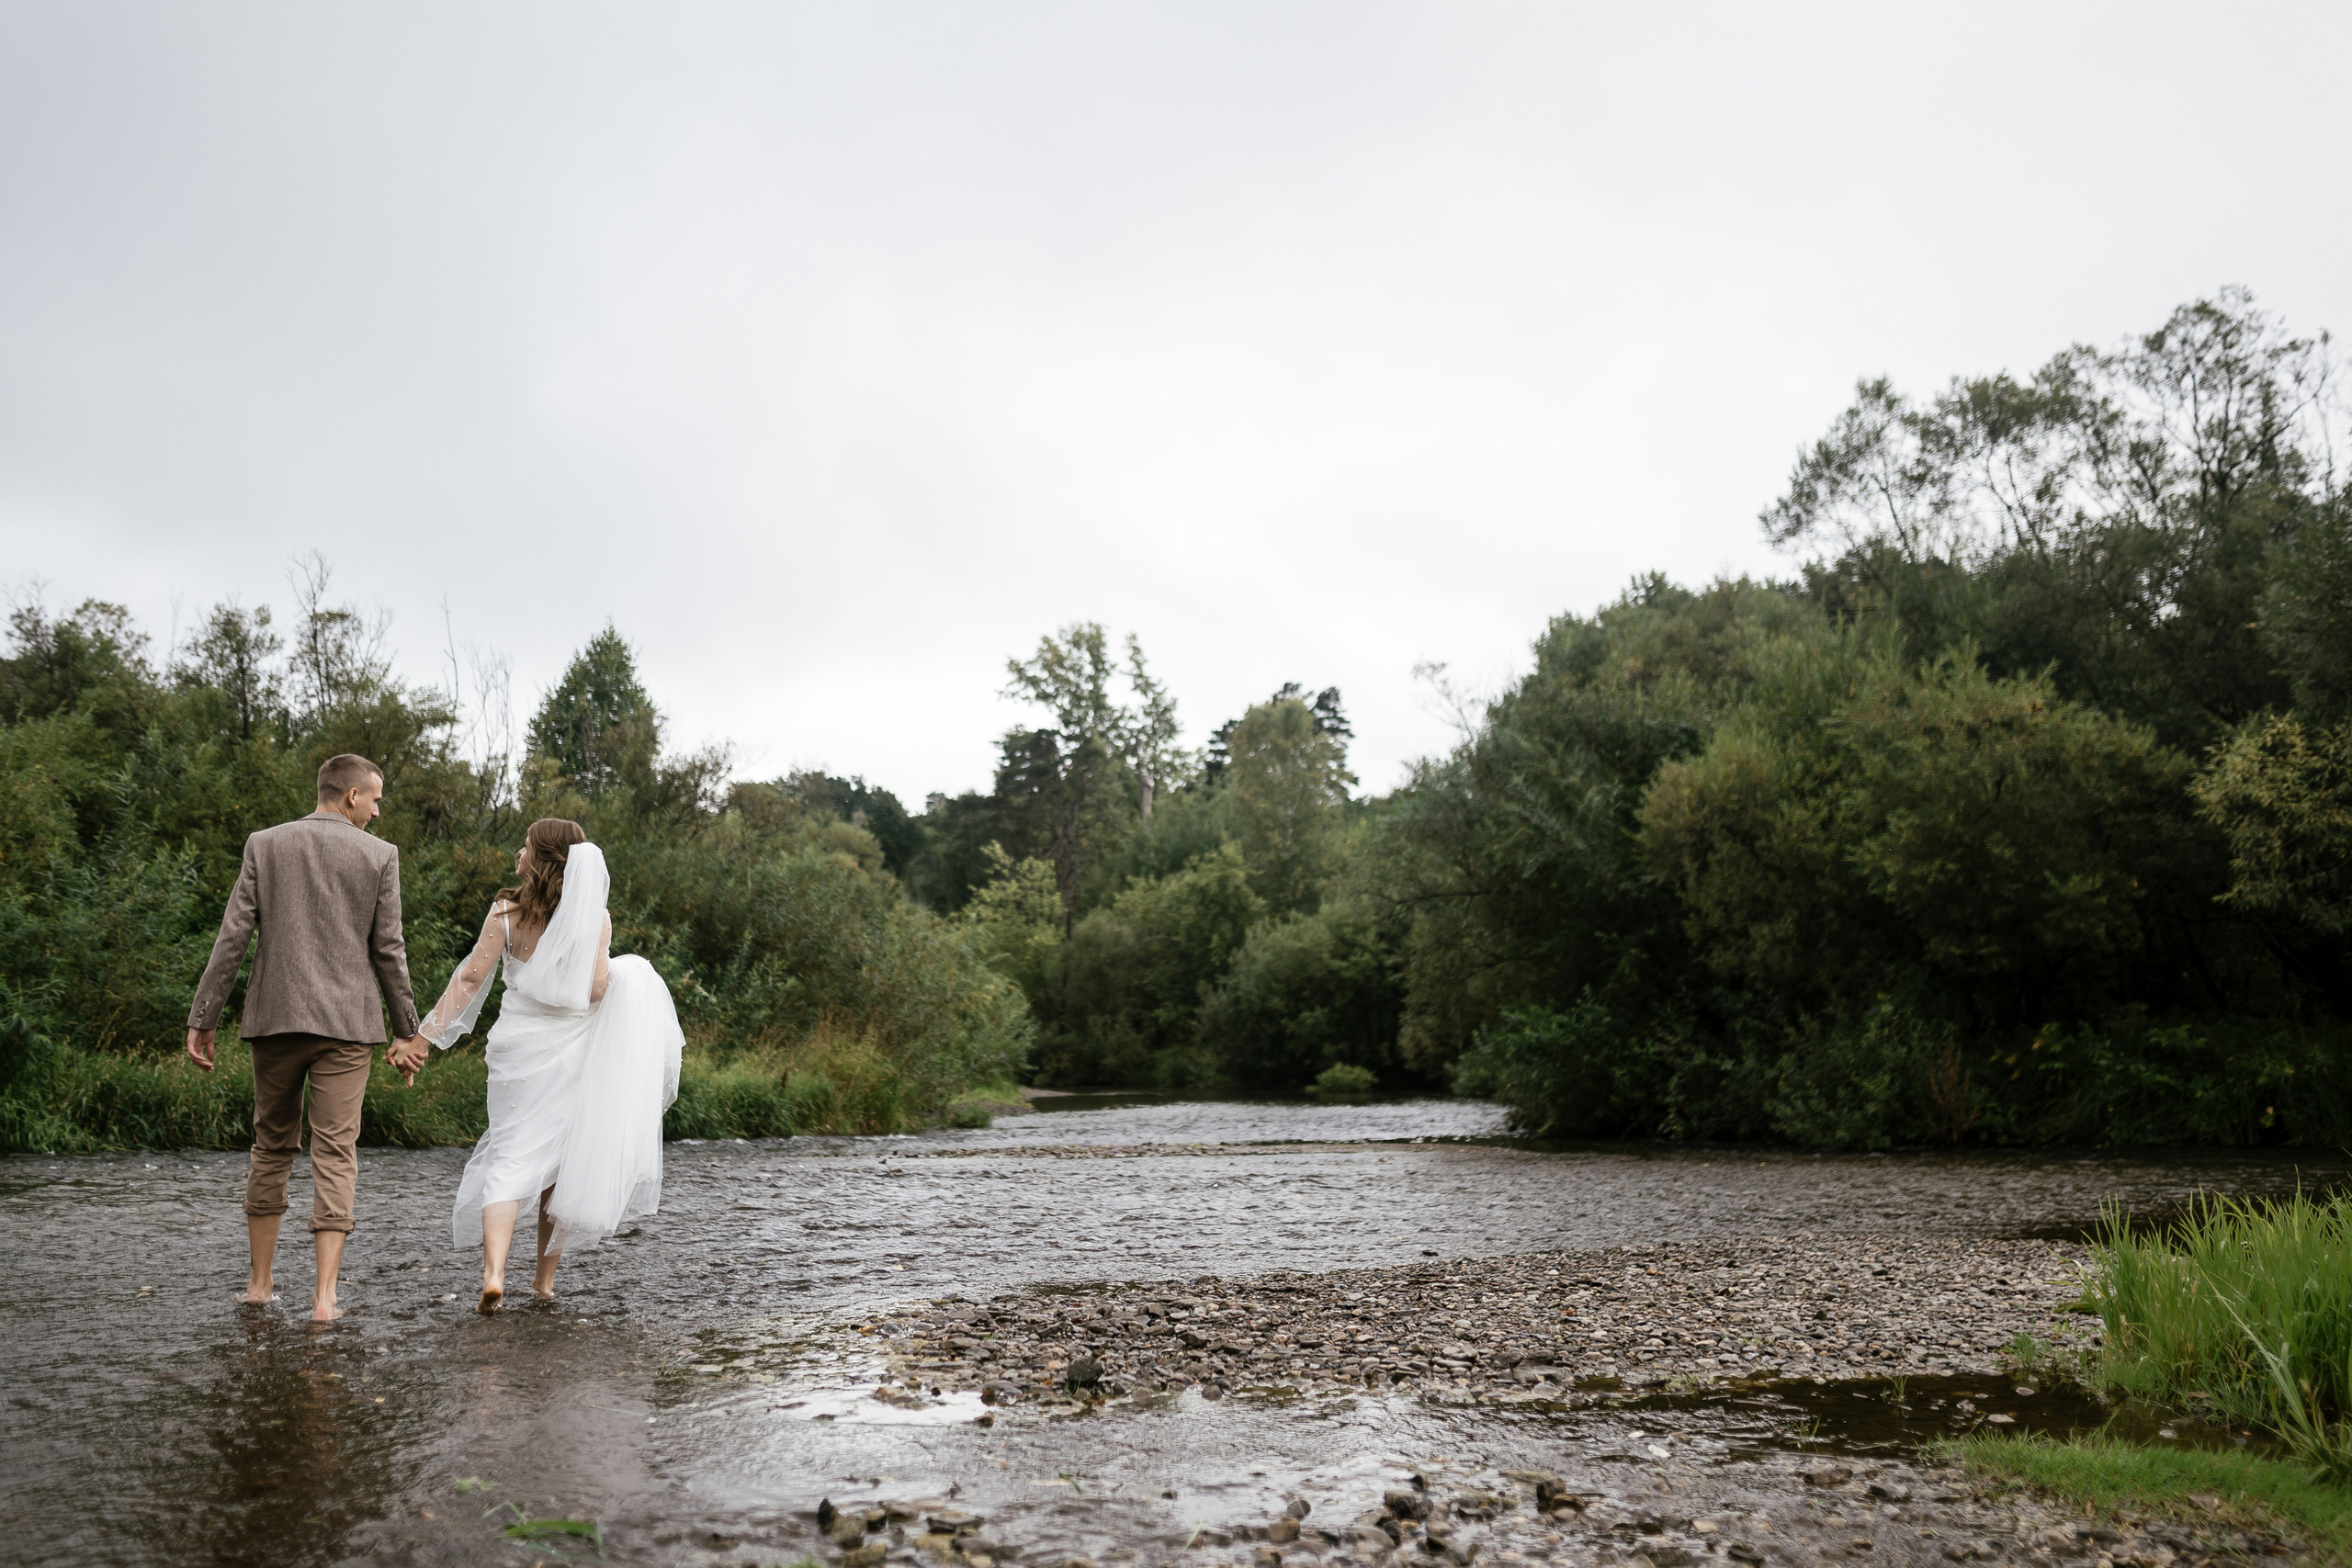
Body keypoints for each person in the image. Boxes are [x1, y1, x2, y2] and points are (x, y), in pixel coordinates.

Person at [187, 753, 431, 1323]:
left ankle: (259, 1285)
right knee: (335, 1151)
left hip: (275, 1019)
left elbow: (233, 935)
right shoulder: (380, 856)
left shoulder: (264, 844)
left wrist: (204, 1015)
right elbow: (389, 950)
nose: (377, 811)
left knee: (271, 1147)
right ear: (351, 796)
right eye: (375, 799)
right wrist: (407, 1032)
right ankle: (325, 1300)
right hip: (347, 1026)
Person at [414, 817, 683, 1312]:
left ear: (540, 858)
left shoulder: (506, 911)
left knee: (508, 1156)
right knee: (558, 1167)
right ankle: (542, 1283)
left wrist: (425, 1036)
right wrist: (628, 978)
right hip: (572, 1051)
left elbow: (471, 978)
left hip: (516, 1047)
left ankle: (494, 1274)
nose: (519, 852)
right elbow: (596, 990)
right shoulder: (594, 919)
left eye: (526, 846)